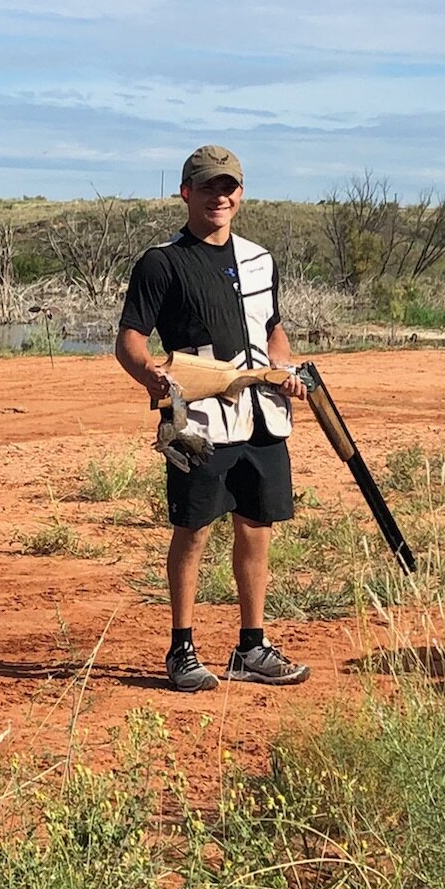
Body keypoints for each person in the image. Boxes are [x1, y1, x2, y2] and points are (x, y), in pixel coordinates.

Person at [116, 146, 314, 694]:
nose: (220, 196)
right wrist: (153, 378)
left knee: (256, 526)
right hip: (200, 419)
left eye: (229, 187)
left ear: (241, 194)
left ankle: (252, 646)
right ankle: (182, 649)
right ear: (186, 193)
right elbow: (130, 339)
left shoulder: (259, 258)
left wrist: (285, 368)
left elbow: (272, 328)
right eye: (208, 187)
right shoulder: (161, 262)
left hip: (262, 419)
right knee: (194, 529)